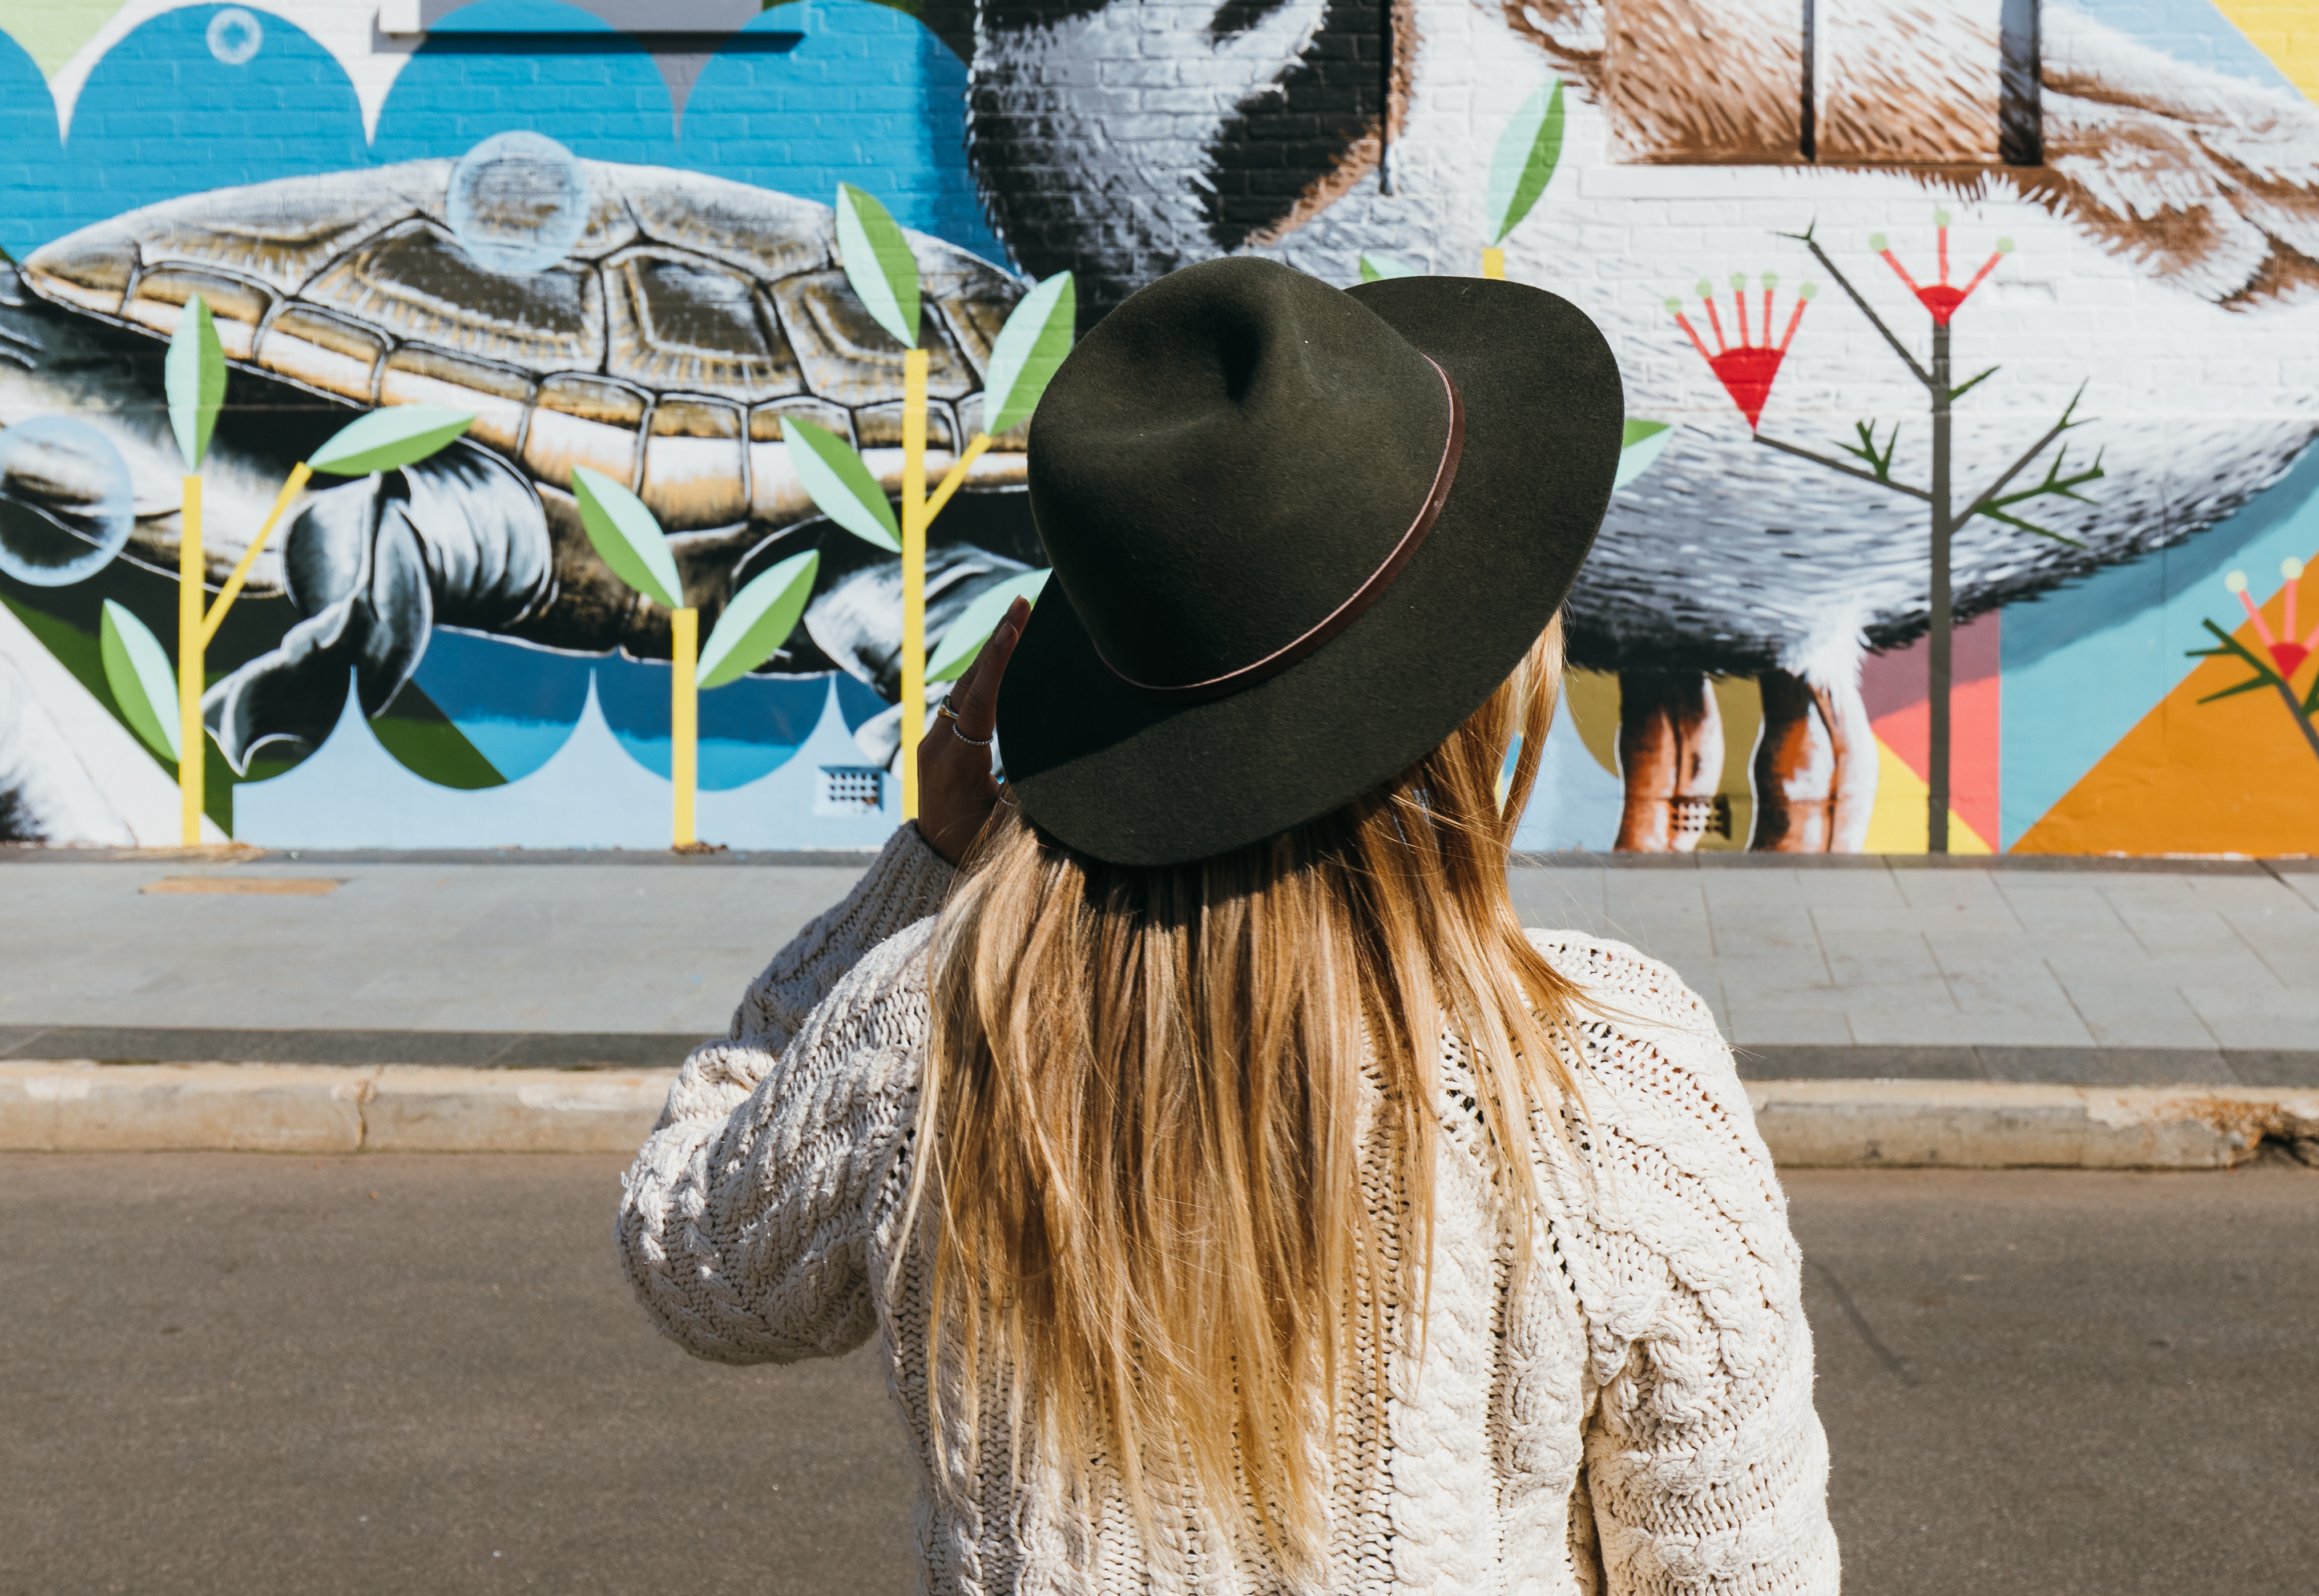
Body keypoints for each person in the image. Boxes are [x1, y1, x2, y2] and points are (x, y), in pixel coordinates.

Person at [619, 256, 1834, 1593]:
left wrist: (918, 877)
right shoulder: (1606, 1077)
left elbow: (698, 1262)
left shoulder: (933, 1029)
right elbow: (1739, 1575)